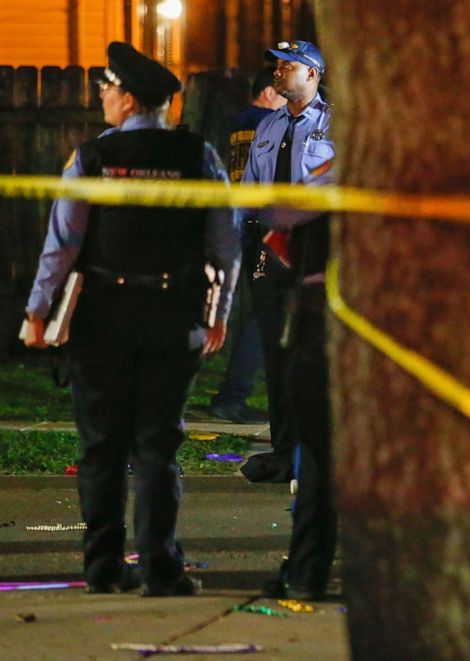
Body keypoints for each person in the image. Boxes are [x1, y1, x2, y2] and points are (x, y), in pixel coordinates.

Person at [22, 42, 239, 596]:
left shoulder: (90, 159)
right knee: (157, 447)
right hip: (173, 316)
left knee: (101, 445)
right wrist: (219, 315)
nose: (101, 97)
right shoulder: (200, 158)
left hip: (101, 319)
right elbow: (225, 246)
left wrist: (38, 312)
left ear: (127, 98)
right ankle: (162, 567)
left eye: (106, 89)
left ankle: (102, 566)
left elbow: (62, 246)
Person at [240, 40, 336, 600]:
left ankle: (309, 452)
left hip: (314, 252)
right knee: (275, 353)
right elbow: (253, 190)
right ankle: (284, 449)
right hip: (269, 247)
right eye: (276, 62)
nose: (279, 69)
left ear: (315, 74)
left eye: (290, 64)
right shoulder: (268, 124)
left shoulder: (334, 127)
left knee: (308, 352)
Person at [209, 66, 287, 424]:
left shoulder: (240, 122)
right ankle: (233, 395)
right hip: (261, 226)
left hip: (236, 224)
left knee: (244, 309)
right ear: (269, 93)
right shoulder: (270, 122)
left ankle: (230, 392)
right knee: (264, 311)